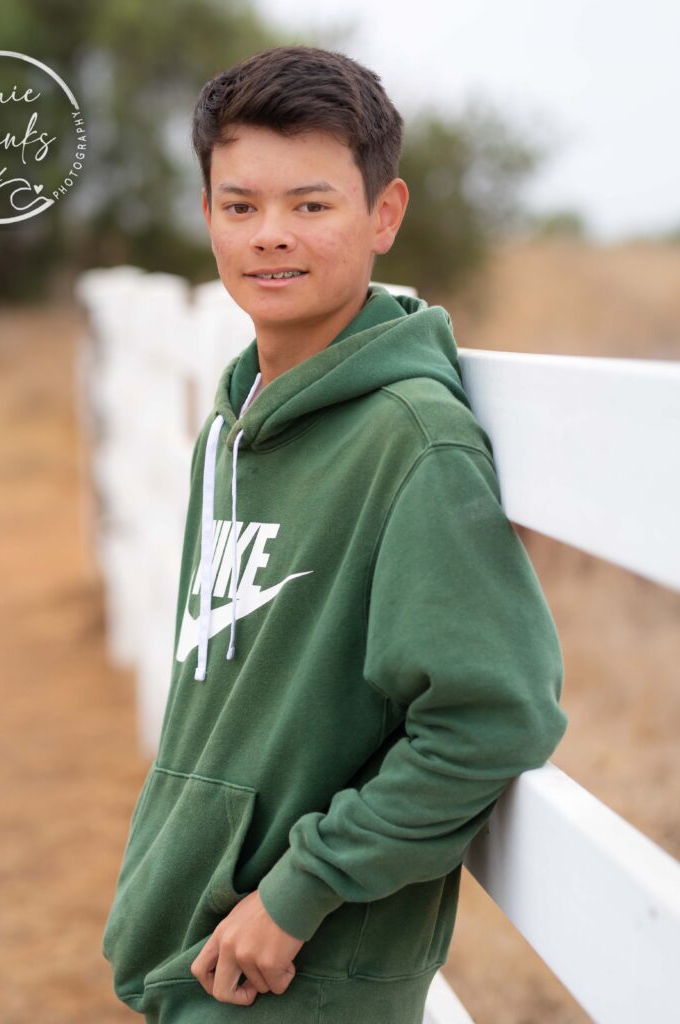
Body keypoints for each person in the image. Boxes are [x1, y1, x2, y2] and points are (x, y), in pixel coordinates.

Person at [102, 44, 569, 1023]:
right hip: (192, 941)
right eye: (241, 205)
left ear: (383, 214)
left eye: (310, 204)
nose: (271, 234)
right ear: (207, 215)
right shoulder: (232, 426)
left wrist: (300, 889)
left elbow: (491, 718)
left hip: (299, 973)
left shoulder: (413, 442)